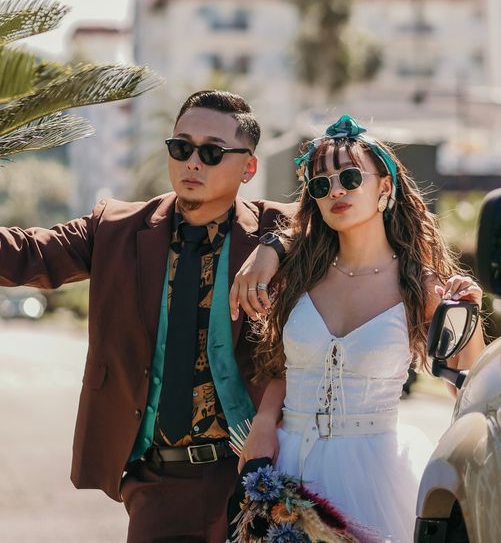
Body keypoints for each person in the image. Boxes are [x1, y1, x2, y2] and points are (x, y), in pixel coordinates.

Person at [0, 90, 294, 543]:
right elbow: (29, 252)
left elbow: (337, 219)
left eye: (212, 152)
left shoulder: (273, 228)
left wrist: (274, 246)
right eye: (181, 147)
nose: (192, 162)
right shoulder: (116, 227)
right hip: (158, 484)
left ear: (249, 168)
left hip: (256, 476)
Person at [234, 115, 485, 542]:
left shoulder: (420, 286)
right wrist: (263, 423)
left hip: (374, 473)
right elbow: (283, 367)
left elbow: (466, 385)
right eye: (321, 184)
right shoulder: (298, 274)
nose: (336, 190)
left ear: (384, 187)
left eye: (350, 178)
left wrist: (468, 318)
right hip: (287, 464)